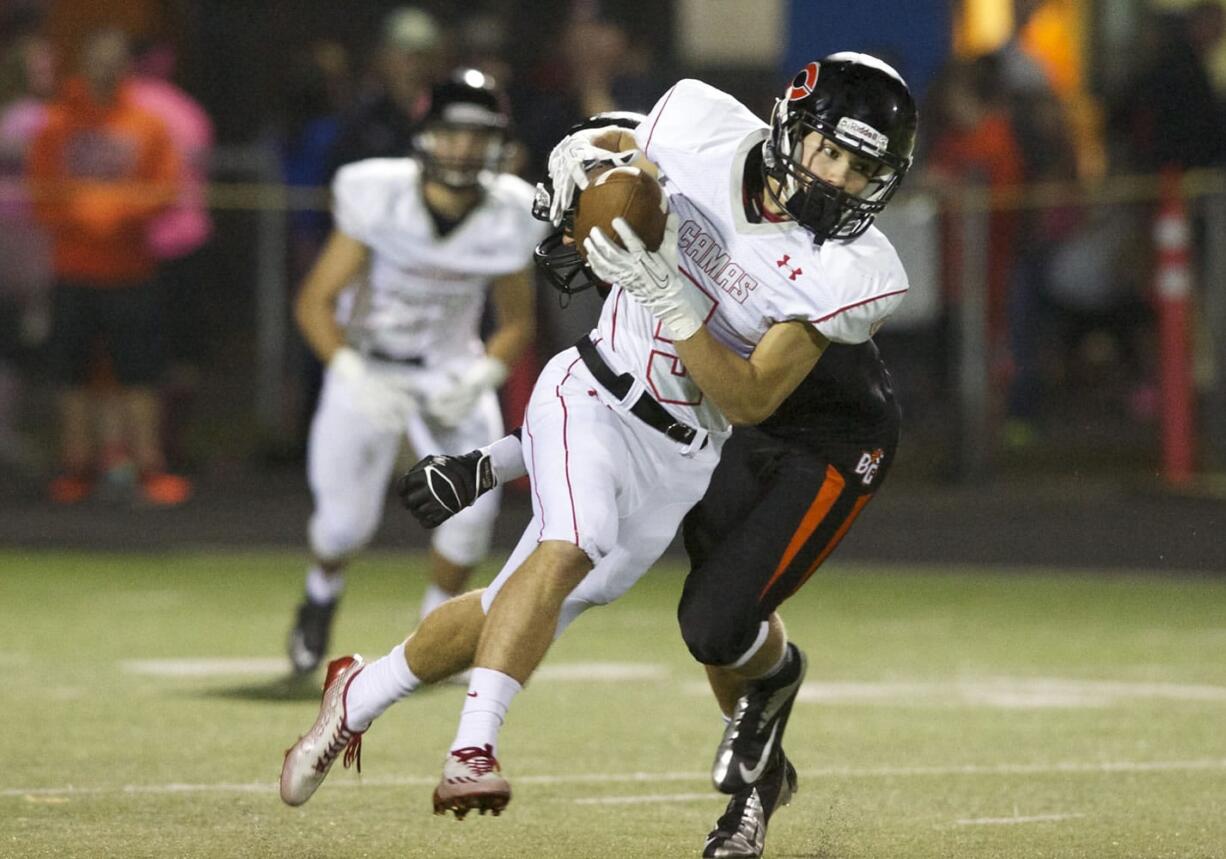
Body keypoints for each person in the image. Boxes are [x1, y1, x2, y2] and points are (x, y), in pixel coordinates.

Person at [279, 54, 917, 859]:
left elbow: (752, 400)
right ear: (792, 123)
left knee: (514, 605)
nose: (840, 181)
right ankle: (472, 749)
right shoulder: (700, 122)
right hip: (590, 387)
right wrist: (573, 165)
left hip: (685, 447)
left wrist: (672, 301)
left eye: (864, 171)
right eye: (831, 152)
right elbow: (609, 144)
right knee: (568, 545)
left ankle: (358, 690)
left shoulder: (854, 269)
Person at [284, 69, 543, 676]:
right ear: (425, 136)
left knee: (472, 519)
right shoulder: (379, 194)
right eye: (452, 133)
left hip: (452, 373)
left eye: (478, 136)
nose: (463, 148)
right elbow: (313, 302)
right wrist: (347, 369)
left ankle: (434, 635)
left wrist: (482, 377)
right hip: (369, 366)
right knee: (342, 526)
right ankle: (320, 594)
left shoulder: (510, 210)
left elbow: (516, 322)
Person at [27, 28, 185, 506]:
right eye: (97, 60)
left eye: (115, 61)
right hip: (74, 268)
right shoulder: (56, 124)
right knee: (72, 374)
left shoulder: (147, 124)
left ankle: (147, 466)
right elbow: (41, 194)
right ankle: (76, 466)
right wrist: (83, 211)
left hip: (132, 269)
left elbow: (165, 190)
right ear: (82, 64)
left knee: (140, 373)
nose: (105, 70)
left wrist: (118, 210)